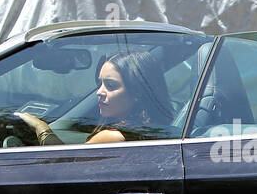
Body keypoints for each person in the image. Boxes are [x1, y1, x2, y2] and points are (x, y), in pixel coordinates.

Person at [18, 47, 173, 145]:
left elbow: (63, 167)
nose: (99, 92)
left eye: (110, 86)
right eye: (99, 84)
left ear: (137, 92)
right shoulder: (159, 130)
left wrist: (41, 128)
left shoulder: (113, 137)